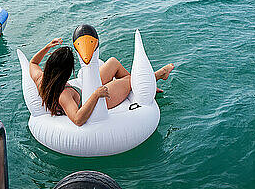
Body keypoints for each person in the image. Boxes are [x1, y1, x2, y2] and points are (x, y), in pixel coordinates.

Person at [29, 38, 174, 127]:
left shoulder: (41, 79)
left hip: (84, 91)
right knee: (130, 80)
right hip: (94, 105)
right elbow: (78, 119)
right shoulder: (64, 94)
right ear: (66, 72)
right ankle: (158, 75)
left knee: (113, 63)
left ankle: (142, 87)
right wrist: (96, 95)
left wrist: (48, 46)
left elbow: (33, 62)